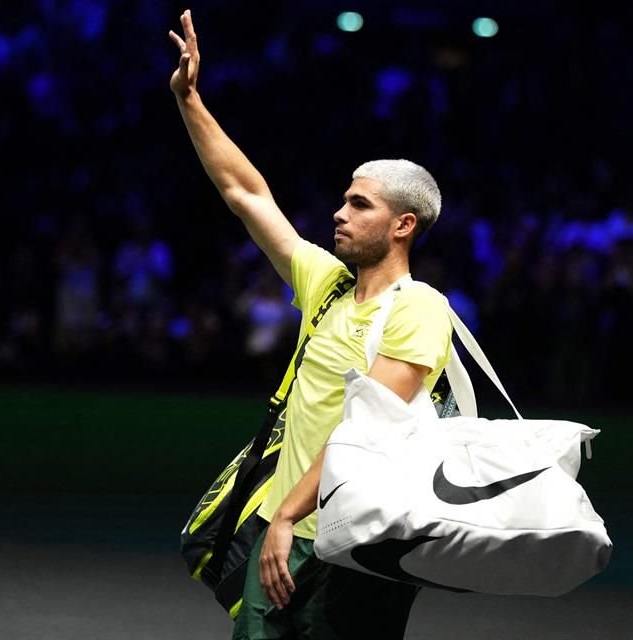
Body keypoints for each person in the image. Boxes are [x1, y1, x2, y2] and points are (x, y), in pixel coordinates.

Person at [169, 10, 453, 639]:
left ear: (403, 225)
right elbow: (247, 194)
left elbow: (369, 432)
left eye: (360, 204)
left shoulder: (420, 308)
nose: (339, 212)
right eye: (343, 199)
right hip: (284, 534)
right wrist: (190, 99)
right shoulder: (326, 286)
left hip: (358, 548)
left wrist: (286, 516)